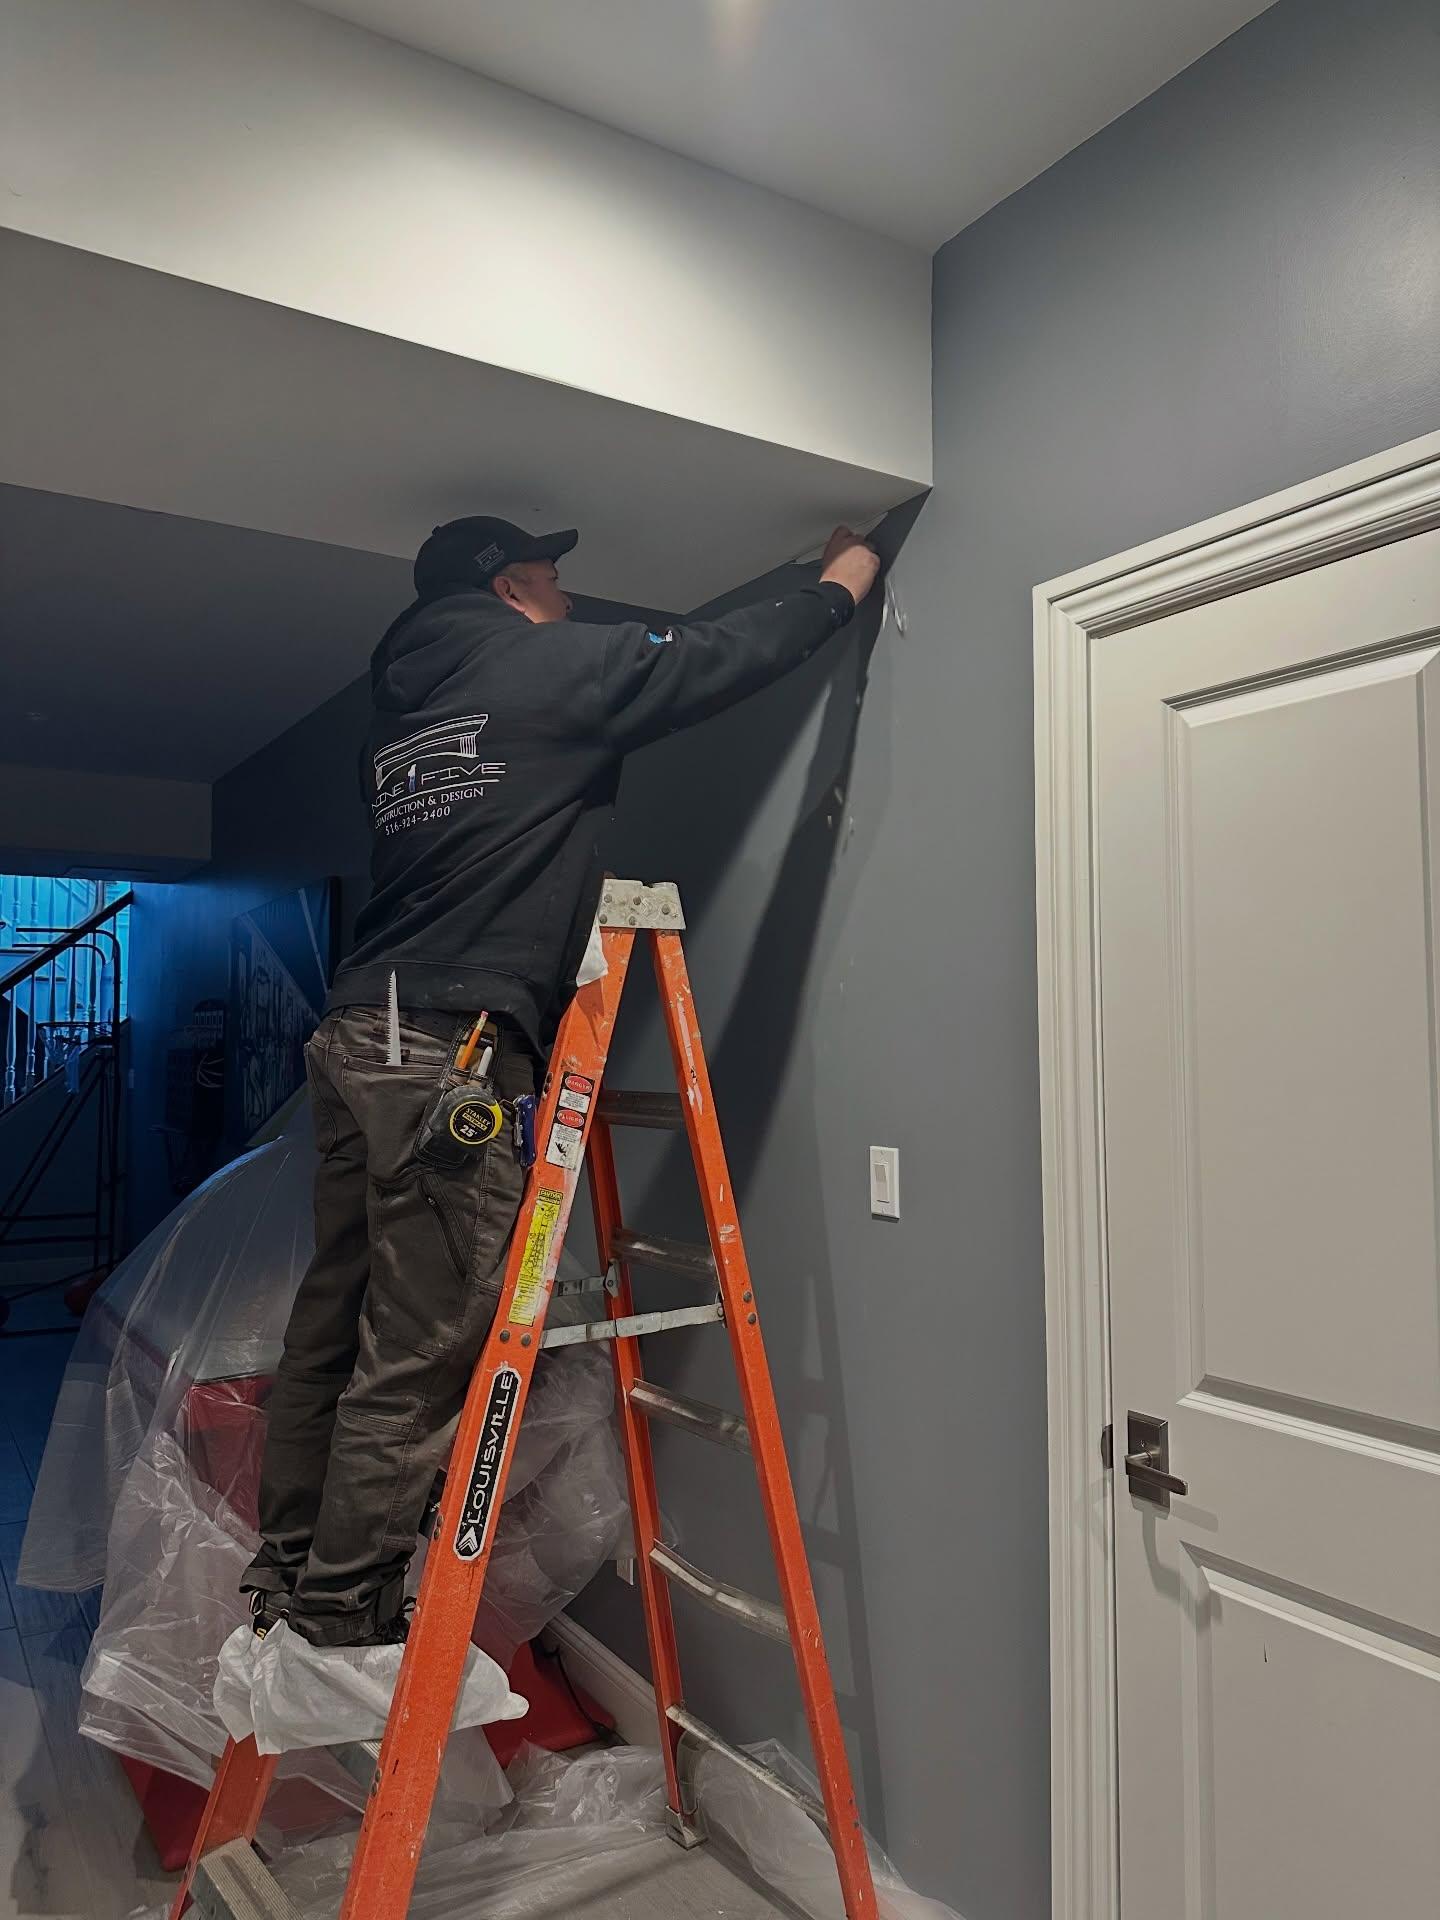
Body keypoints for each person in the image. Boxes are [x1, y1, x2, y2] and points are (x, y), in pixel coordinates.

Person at [241, 514, 881, 1648]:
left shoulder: (398, 720)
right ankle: (343, 1614)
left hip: (358, 1033)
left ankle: (287, 1572)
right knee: (421, 1346)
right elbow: (719, 658)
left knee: (333, 1324)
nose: (569, 601)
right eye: (552, 580)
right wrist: (841, 582)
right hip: (449, 1050)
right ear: (508, 588)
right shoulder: (539, 665)